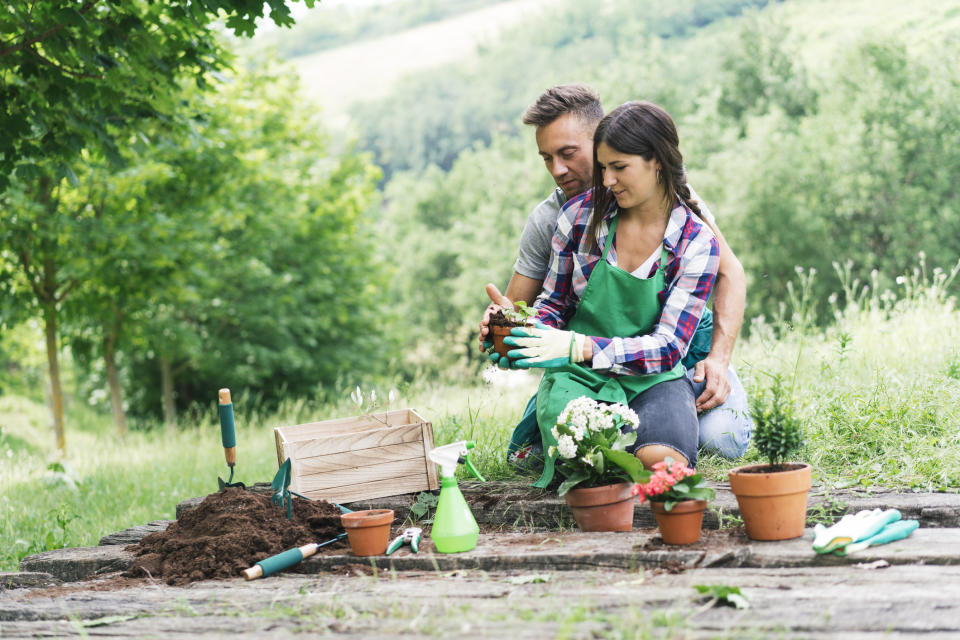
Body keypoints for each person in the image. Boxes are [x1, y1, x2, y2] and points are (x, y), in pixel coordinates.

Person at [479, 85, 752, 464]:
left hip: (672, 357)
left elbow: (729, 276)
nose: (557, 169)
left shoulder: (685, 222)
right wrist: (509, 329)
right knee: (550, 456)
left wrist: (718, 361)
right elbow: (539, 306)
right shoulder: (563, 217)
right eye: (546, 158)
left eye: (568, 153)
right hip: (586, 365)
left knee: (720, 440)